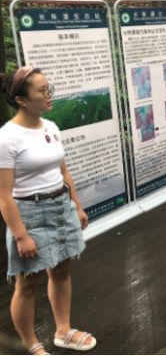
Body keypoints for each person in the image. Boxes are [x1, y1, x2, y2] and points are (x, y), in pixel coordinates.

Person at [0, 67, 96, 355]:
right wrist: (20, 235)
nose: (49, 95)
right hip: (29, 214)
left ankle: (63, 330)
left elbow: (63, 171)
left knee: (62, 272)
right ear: (21, 100)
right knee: (28, 283)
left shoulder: (50, 127)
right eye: (42, 91)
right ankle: (30, 345)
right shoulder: (7, 137)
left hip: (60, 206)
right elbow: (4, 194)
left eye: (48, 88)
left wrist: (76, 206)